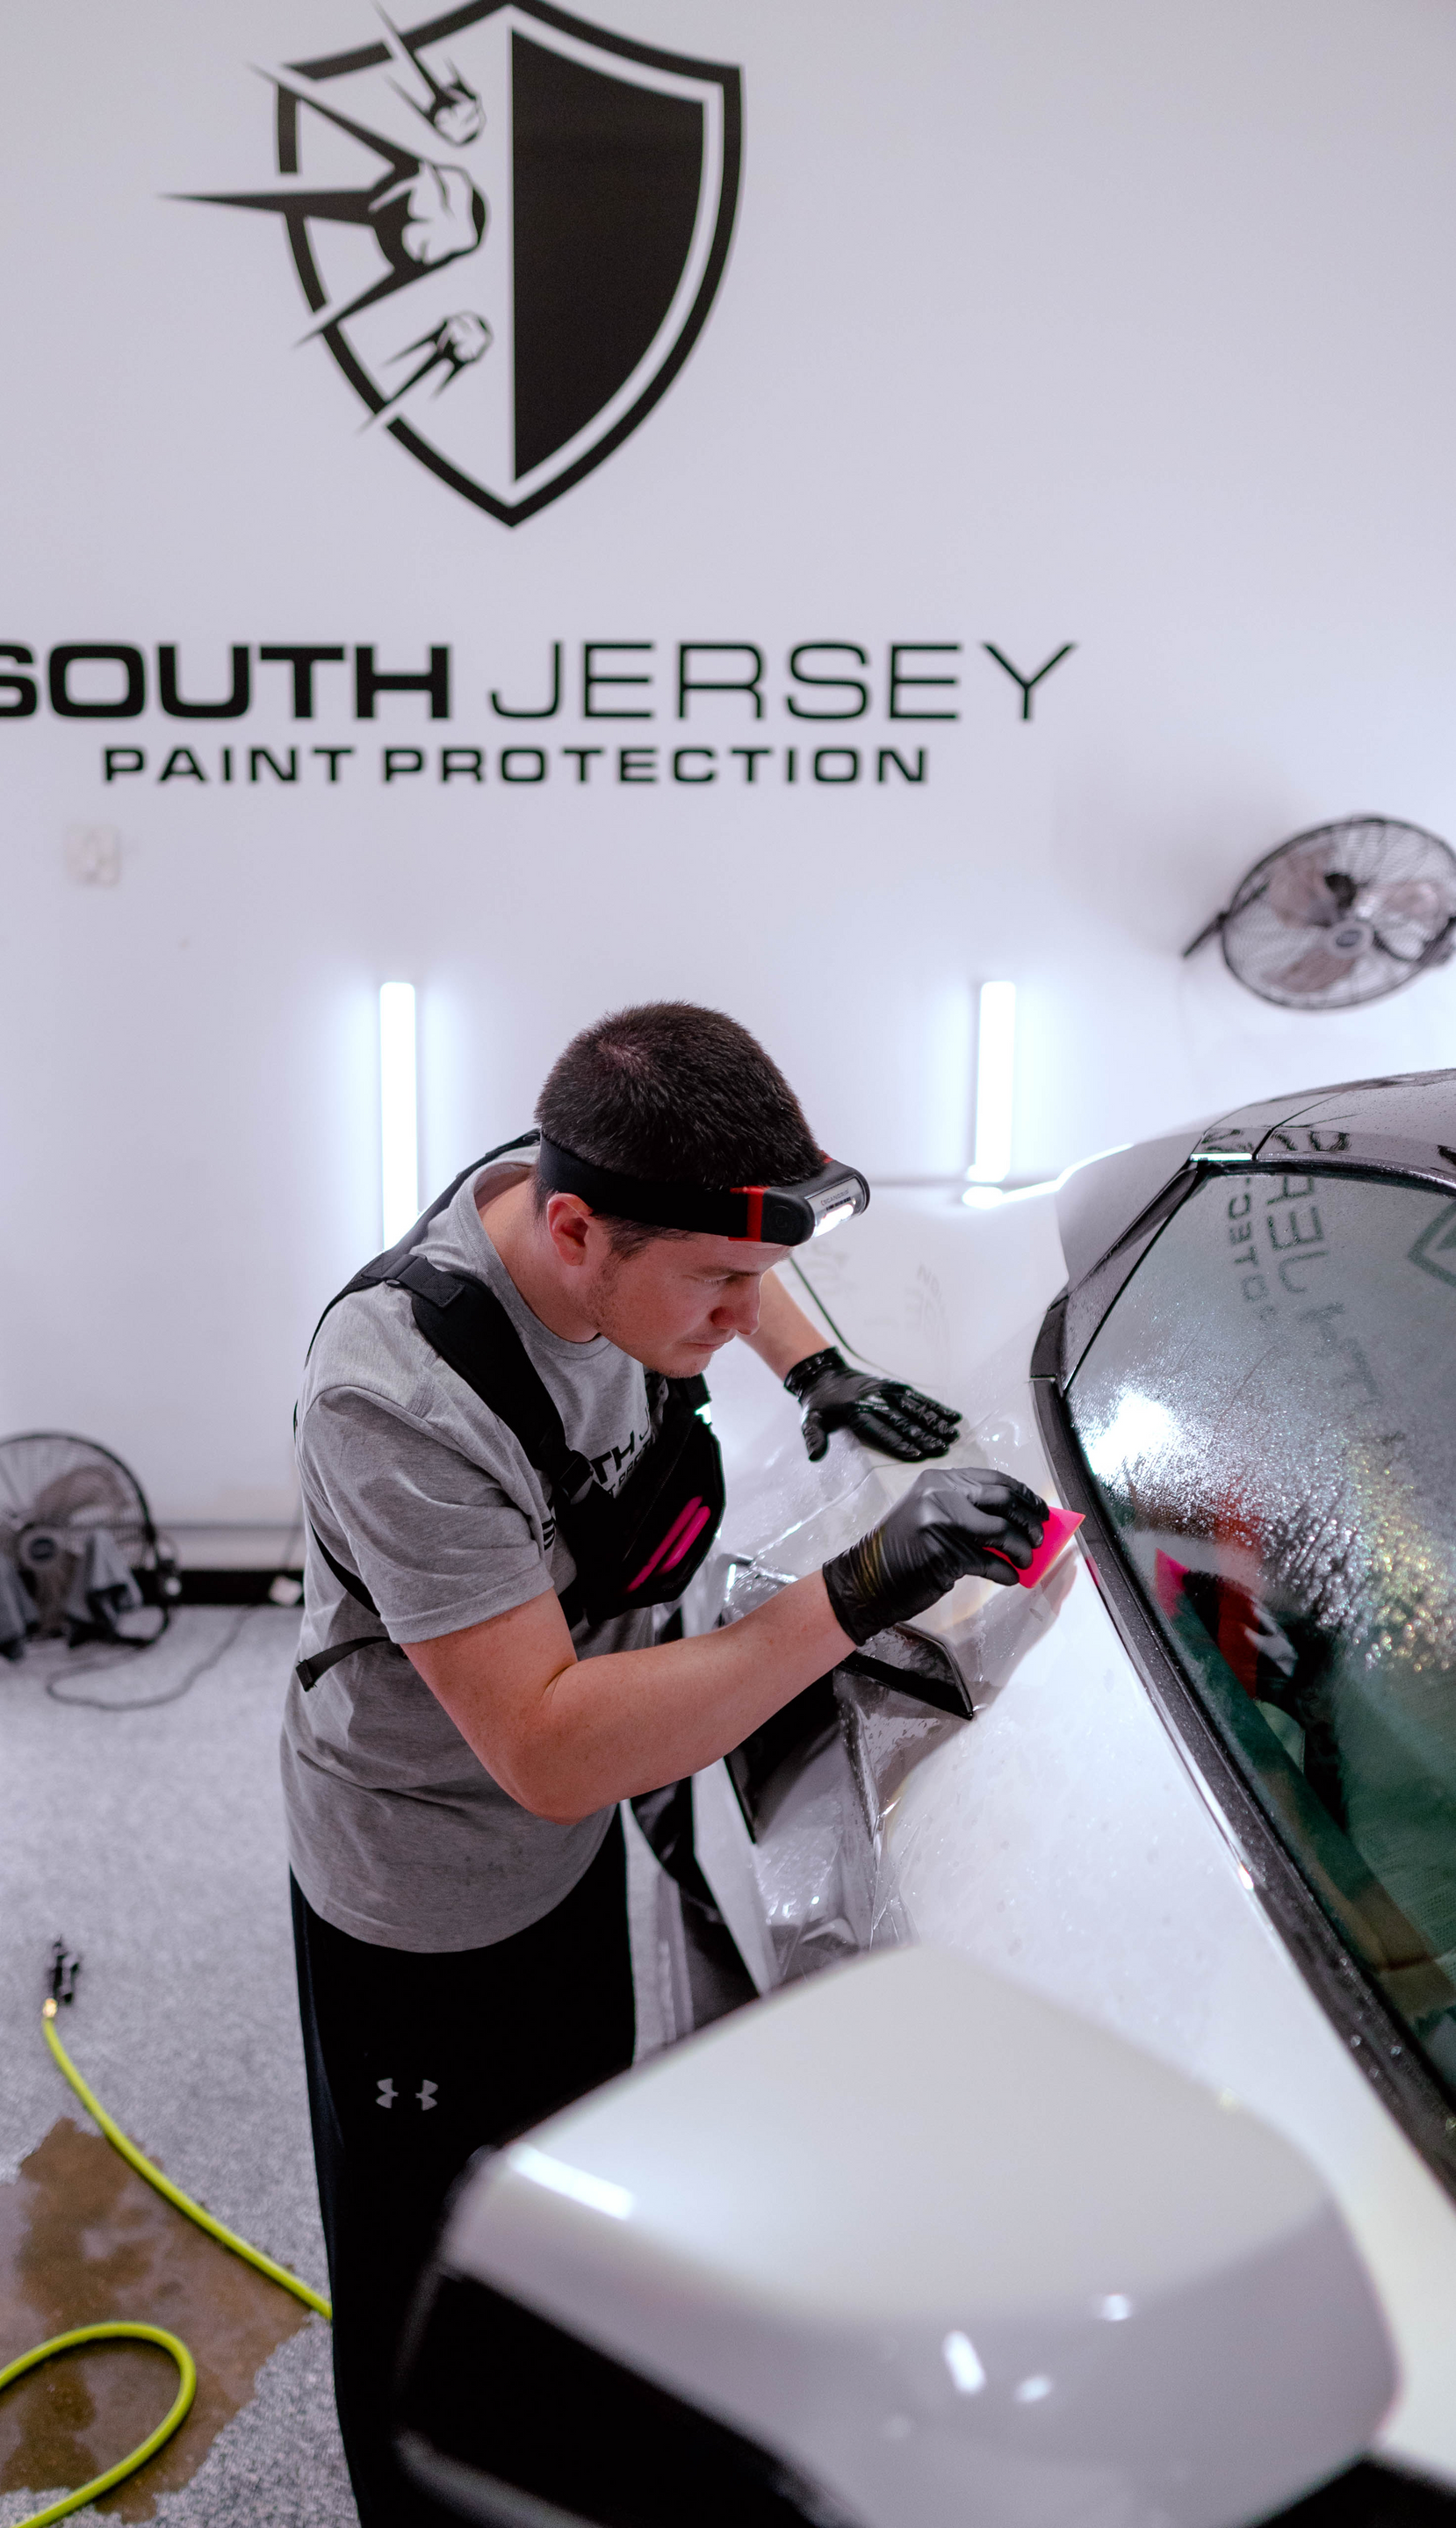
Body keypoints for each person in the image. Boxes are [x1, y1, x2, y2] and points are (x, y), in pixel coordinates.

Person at [284, 1001, 1047, 2525]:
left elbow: (716, 1253)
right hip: (425, 1884)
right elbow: (550, 1746)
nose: (738, 1316)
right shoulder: (401, 1396)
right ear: (575, 1234)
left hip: (562, 1867)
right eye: (721, 1289)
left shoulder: (604, 1185)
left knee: (558, 2180)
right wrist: (855, 1592)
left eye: (756, 1281)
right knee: (429, 2268)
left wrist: (818, 1364)